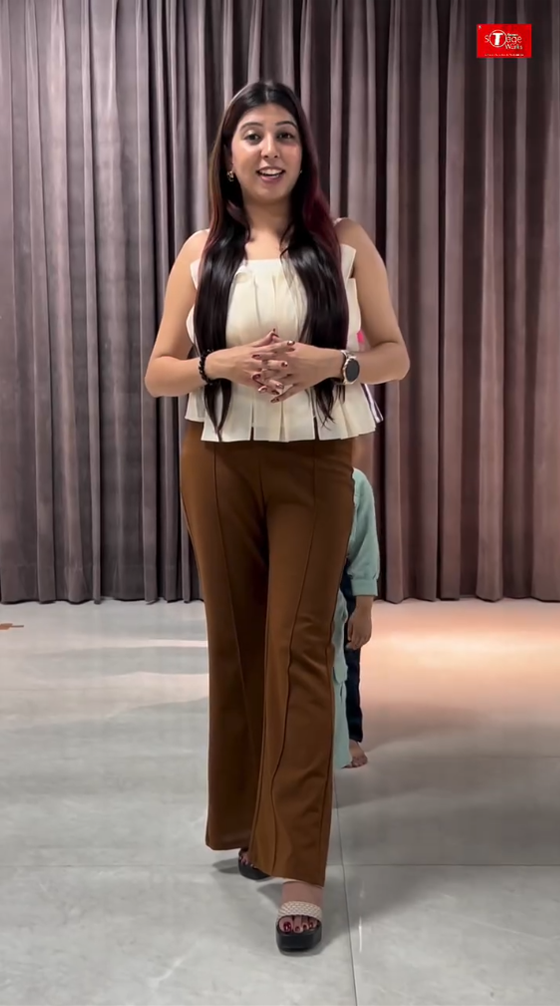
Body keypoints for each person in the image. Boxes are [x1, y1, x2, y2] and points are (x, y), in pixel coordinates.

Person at [144, 80, 409, 953]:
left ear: (304, 152)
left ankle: (300, 866)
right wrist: (216, 363)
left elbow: (395, 356)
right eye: (252, 135)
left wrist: (329, 364)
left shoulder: (346, 245)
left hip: (316, 461)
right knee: (238, 646)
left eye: (285, 134)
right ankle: (253, 825)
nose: (270, 150)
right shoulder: (200, 253)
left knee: (299, 646)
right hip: (216, 460)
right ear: (228, 157)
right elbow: (158, 371)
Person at [332, 453, 380, 772]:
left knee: (348, 658)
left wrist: (363, 608)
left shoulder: (355, 482)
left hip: (340, 573)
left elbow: (364, 547)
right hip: (290, 575)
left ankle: (349, 731)